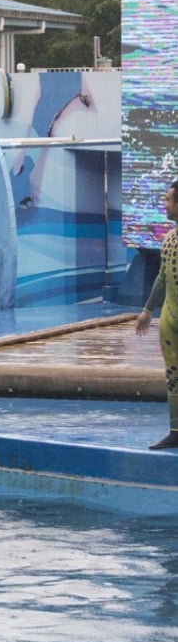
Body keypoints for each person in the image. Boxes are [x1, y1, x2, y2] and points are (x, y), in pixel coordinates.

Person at [136, 179, 178, 449]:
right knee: (173, 377)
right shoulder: (169, 238)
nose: (164, 204)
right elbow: (162, 277)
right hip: (170, 320)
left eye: (168, 199)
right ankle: (176, 431)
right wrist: (147, 310)